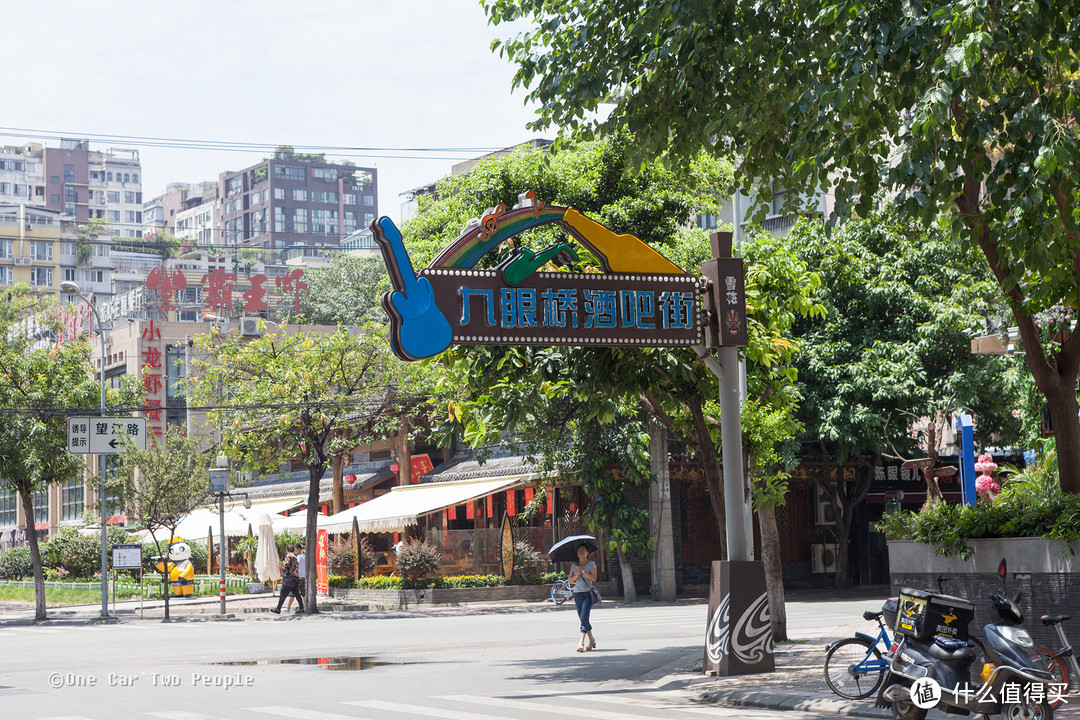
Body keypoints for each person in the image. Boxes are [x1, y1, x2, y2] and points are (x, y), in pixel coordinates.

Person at [567, 543, 597, 652]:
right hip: (577, 594)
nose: (581, 551)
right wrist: (577, 575)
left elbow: (594, 578)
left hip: (587, 594)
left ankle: (581, 643)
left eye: (583, 550)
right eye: (579, 550)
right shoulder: (573, 566)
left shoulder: (591, 564)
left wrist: (583, 571)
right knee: (582, 618)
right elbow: (570, 580)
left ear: (587, 552)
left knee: (584, 617)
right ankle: (592, 640)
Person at [270, 544, 303, 615]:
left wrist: (280, 566)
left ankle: (278, 609)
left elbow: (287, 565)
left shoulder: (288, 556)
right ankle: (301, 608)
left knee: (283, 594)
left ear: (287, 550)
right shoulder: (294, 557)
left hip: (289, 578)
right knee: (297, 594)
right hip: (295, 578)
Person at [286, 544, 305, 612]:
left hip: (298, 577)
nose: (294, 551)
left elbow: (294, 565)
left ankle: (288, 608)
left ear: (299, 549)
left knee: (293, 593)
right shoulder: (303, 556)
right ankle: (305, 607)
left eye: (295, 549)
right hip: (303, 576)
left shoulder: (299, 557)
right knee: (303, 593)